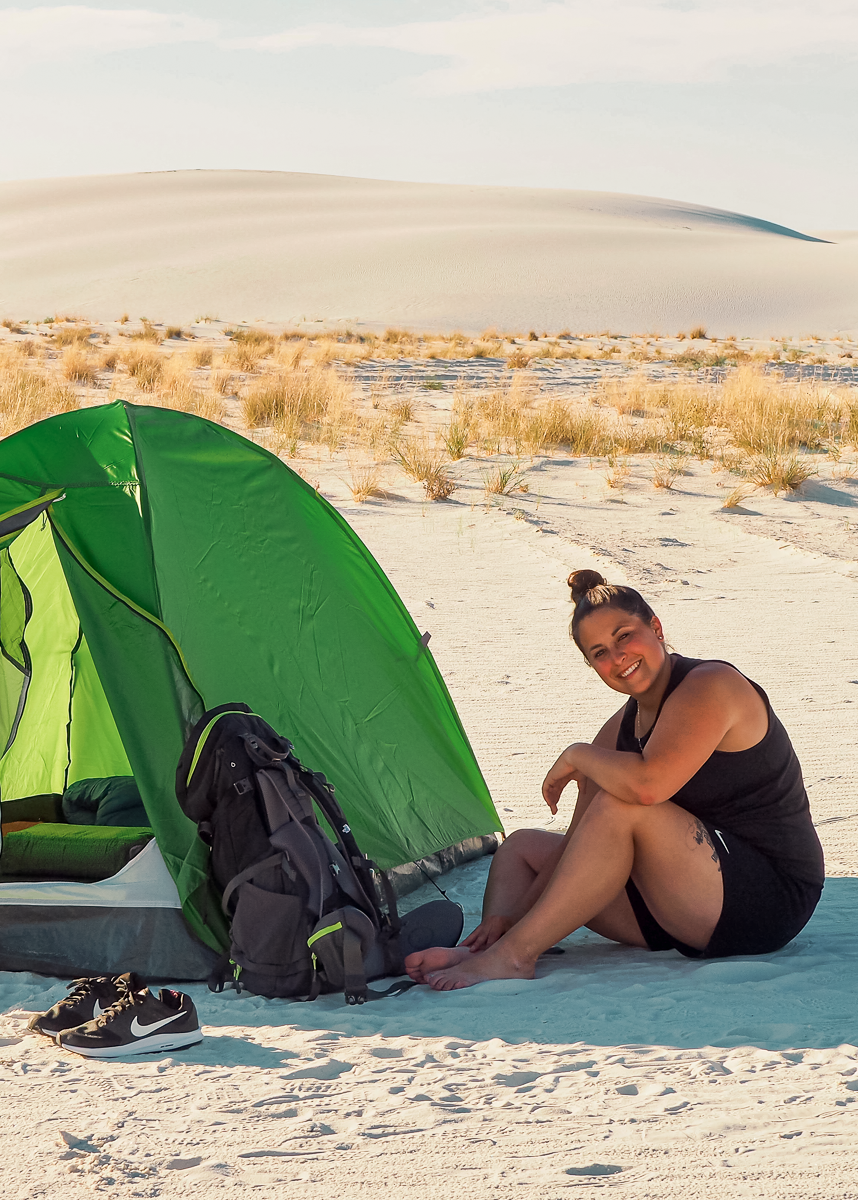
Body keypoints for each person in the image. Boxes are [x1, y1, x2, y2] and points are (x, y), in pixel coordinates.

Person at [405, 569, 824, 991]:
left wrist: (577, 755)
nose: (617, 657)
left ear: (656, 628)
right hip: (679, 899)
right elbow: (578, 846)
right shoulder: (620, 728)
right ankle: (493, 949)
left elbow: (648, 786)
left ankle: (515, 956)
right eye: (600, 652)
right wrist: (508, 923)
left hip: (766, 901)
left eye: (625, 636)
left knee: (622, 804)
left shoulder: (711, 685)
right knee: (522, 849)